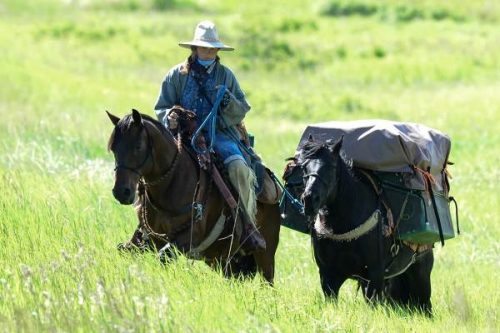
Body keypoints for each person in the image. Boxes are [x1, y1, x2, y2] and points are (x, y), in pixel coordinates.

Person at [154, 20, 266, 252]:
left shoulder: (226, 76)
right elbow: (162, 107)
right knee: (153, 167)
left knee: (239, 168)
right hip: (183, 137)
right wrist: (170, 118)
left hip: (221, 136)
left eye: (213, 48)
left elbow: (242, 108)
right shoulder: (176, 75)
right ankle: (145, 229)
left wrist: (229, 103)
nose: (209, 51)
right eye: (204, 47)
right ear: (194, 49)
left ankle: (245, 226)